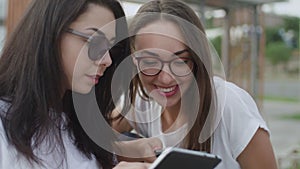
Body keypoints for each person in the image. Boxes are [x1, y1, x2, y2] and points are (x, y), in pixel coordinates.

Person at [112, 0, 278, 168]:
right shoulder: (141, 101)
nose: (166, 79)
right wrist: (125, 149)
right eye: (149, 62)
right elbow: (96, 137)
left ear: (197, 58)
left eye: (180, 61)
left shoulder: (228, 105)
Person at [0, 0, 132, 168]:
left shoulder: (87, 129)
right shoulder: (4, 124)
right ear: (50, 33)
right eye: (95, 41)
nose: (107, 60)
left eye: (111, 47)